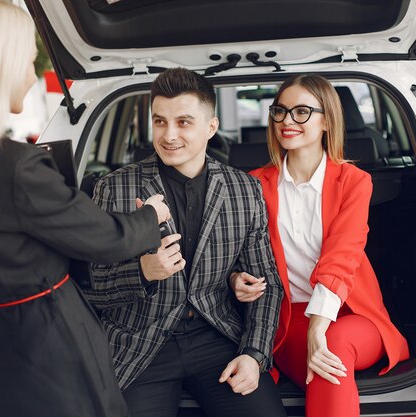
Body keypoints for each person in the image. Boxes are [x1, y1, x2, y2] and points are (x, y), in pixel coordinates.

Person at [0, 1, 171, 416]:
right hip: (44, 339)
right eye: (27, 61)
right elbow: (103, 238)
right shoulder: (15, 166)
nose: (30, 77)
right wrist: (152, 214)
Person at [84, 68, 287, 417]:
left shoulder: (245, 189)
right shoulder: (114, 188)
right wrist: (143, 272)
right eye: (160, 121)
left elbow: (267, 285)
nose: (169, 135)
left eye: (183, 122)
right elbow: (96, 289)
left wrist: (254, 355)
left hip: (215, 339)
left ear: (211, 127)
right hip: (139, 344)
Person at [230, 73, 410, 417]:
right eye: (280, 111)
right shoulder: (254, 184)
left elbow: (343, 254)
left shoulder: (355, 182)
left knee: (332, 344)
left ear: (326, 119)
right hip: (287, 319)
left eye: (301, 112)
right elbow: (233, 253)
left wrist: (319, 325)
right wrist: (236, 278)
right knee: (329, 357)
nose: (287, 121)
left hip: (353, 313)